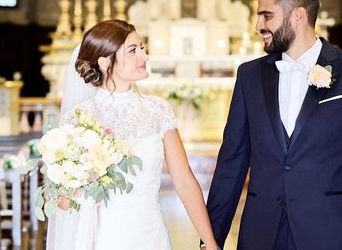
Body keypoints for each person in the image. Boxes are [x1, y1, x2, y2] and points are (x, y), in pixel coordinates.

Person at [206, 0, 342, 250]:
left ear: (298, 15)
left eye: (267, 16)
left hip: (331, 234)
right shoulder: (249, 76)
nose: (258, 25)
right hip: (262, 234)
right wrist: (210, 240)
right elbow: (231, 164)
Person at [47, 19, 218, 250]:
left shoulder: (158, 110)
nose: (144, 57)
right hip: (100, 237)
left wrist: (210, 242)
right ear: (105, 62)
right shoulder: (79, 119)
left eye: (142, 48)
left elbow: (185, 181)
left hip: (149, 235)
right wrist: (76, 184)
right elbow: (63, 202)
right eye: (133, 50)